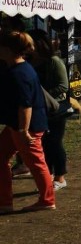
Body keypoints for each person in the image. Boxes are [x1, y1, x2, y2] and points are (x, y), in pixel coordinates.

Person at [0, 30, 55, 213]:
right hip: (16, 125)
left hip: (26, 126)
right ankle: (4, 202)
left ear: (7, 49)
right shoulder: (19, 69)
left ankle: (47, 200)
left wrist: (24, 131)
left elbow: (25, 105)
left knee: (36, 162)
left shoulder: (20, 73)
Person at [27, 29, 71, 191]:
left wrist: (42, 94)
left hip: (55, 109)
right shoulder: (30, 61)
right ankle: (49, 174)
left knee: (54, 143)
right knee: (43, 143)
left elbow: (63, 86)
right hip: (37, 109)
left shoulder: (54, 61)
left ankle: (60, 177)